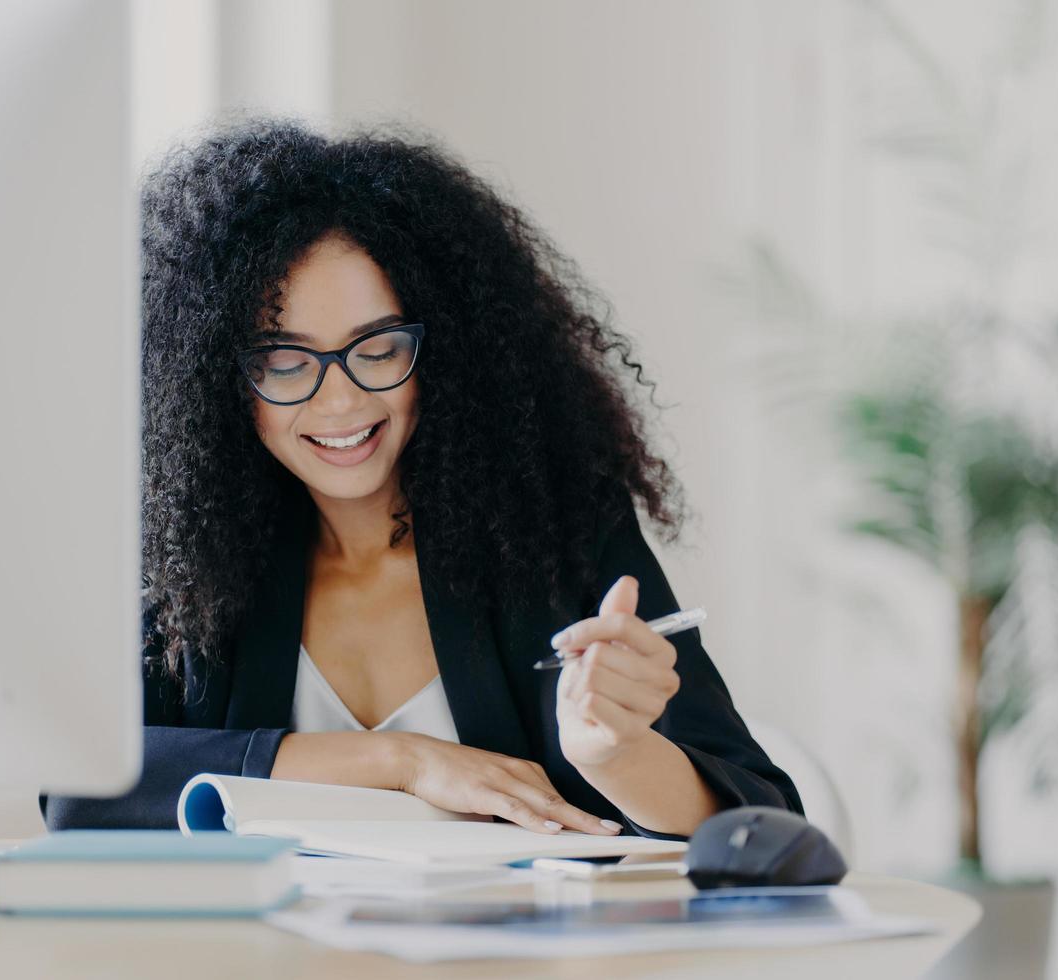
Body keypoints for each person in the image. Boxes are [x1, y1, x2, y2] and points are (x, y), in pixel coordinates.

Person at [42, 120, 801, 839]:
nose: (337, 400)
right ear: (215, 381)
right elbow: (80, 786)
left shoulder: (554, 532)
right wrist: (403, 763)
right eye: (283, 360)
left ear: (446, 348)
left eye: (376, 349)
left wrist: (617, 757)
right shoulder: (189, 568)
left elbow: (762, 817)